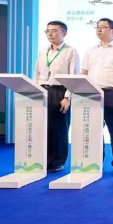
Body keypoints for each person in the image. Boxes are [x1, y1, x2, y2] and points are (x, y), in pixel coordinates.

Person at [81, 18, 113, 174]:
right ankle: (96, 161)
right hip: (93, 93)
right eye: (97, 27)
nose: (99, 29)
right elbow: (84, 72)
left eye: (103, 27)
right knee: (94, 130)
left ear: (112, 31)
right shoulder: (90, 50)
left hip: (112, 93)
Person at [33, 21, 80, 173]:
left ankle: (59, 161)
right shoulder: (43, 51)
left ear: (64, 33)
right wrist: (34, 90)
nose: (50, 34)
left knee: (60, 129)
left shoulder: (70, 51)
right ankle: (47, 159)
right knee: (45, 128)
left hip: (60, 91)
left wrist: (67, 97)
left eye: (54, 31)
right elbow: (37, 73)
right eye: (47, 31)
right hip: (43, 90)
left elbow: (73, 76)